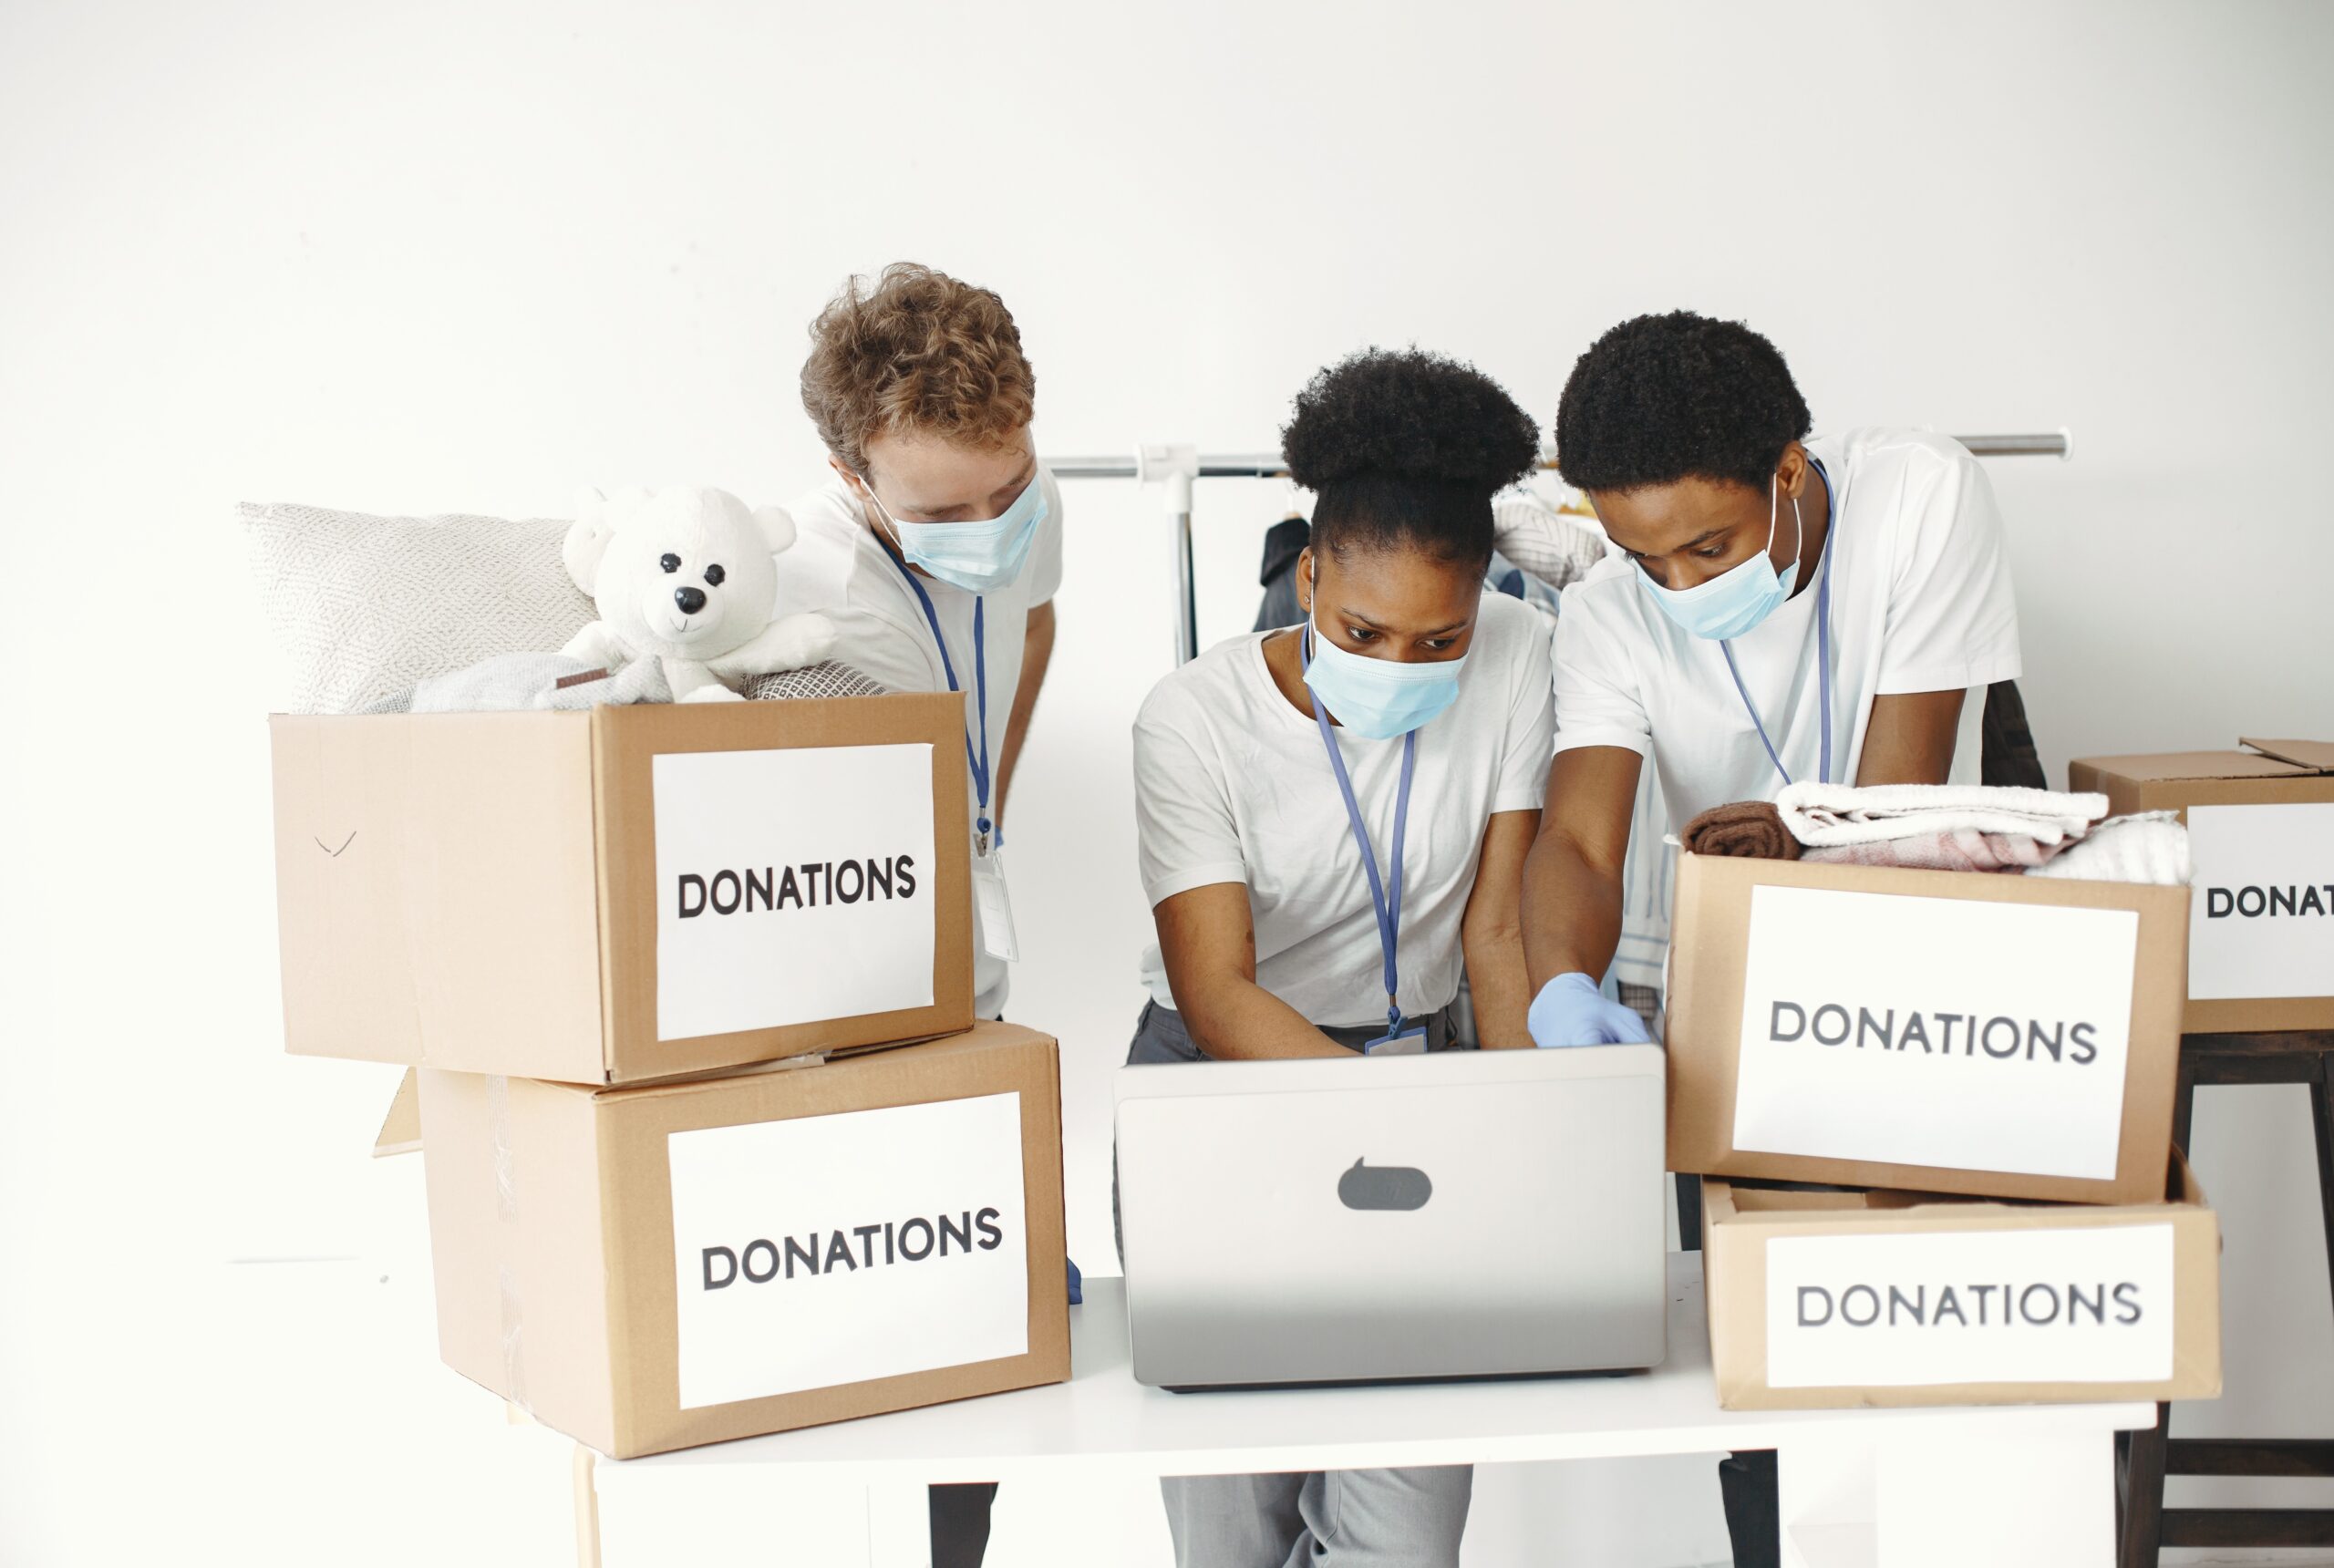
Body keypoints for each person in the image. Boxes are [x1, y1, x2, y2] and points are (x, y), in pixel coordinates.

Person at [1518, 310, 2022, 1565]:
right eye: (1646, 558)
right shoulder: (1611, 622)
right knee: (1765, 1376)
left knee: (1925, 1367)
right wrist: (1565, 984)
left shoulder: (1918, 502)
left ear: (1789, 471)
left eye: (1709, 544)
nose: (1682, 585)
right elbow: (1581, 843)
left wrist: (1797, 862)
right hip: (1723, 995)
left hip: (1913, 966)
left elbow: (1892, 804)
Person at [1128, 346, 1553, 1566]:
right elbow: (1217, 992)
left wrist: (1529, 1123)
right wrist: (1405, 1122)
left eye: (1441, 639)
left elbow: (1498, 927)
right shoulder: (1193, 721)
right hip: (1226, 1098)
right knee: (1233, 1539)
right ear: (1306, 572)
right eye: (1363, 628)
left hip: (1425, 1075)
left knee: (1402, 1545)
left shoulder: (1520, 655)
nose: (1403, 665)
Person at [782, 261, 1062, 1568]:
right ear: (855, 480)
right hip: (861, 990)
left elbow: (1035, 606)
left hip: (972, 937)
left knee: (999, 1354)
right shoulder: (814, 609)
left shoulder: (1017, 499)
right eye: (944, 508)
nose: (990, 524)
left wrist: (985, 799)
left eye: (1006, 487)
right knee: (913, 1336)